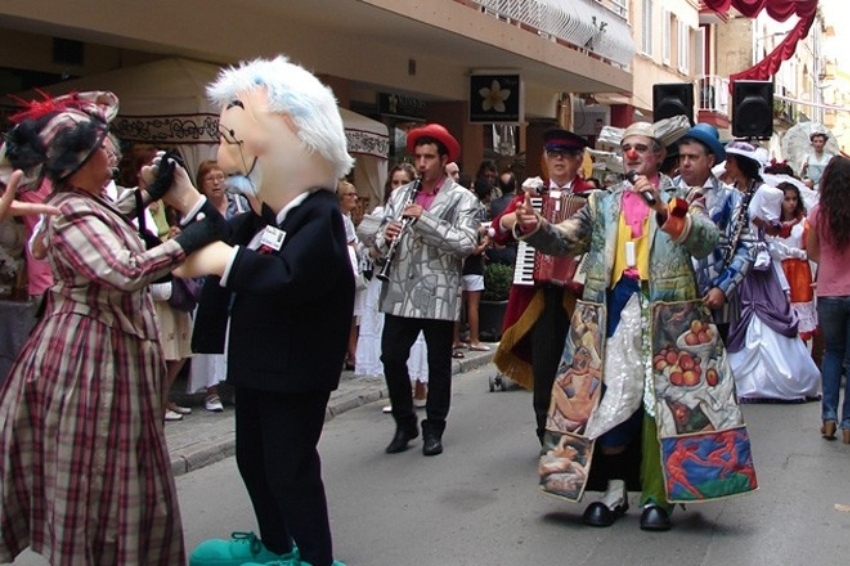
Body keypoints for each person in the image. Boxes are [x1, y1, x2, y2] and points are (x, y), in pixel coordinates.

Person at [0, 90, 223, 564]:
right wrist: (187, 239)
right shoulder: (72, 211)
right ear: (79, 159)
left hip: (109, 353)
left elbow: (113, 213)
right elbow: (123, 271)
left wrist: (149, 194)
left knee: (118, 466)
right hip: (90, 360)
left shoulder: (87, 203)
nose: (112, 150)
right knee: (95, 470)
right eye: (103, 143)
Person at [515, 121, 757, 532]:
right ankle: (612, 491)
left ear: (658, 155)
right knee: (610, 401)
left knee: (661, 405)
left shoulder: (684, 197)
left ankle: (655, 495)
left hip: (671, 317)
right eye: (626, 147)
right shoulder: (602, 203)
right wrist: (533, 226)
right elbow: (565, 239)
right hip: (611, 310)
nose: (631, 154)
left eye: (641, 147)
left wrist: (663, 209)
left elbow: (704, 239)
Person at [184, 56, 353, 566]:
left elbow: (287, 277)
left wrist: (222, 261)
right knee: (253, 462)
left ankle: (315, 558)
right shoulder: (268, 216)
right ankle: (277, 547)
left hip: (294, 370)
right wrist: (186, 198)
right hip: (259, 365)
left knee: (290, 467)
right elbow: (224, 236)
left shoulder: (319, 215)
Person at [372, 123, 479, 456]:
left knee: (438, 364)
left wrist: (426, 221)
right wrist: (382, 237)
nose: (421, 164)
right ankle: (405, 423)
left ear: (443, 159)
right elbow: (375, 238)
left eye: (429, 157)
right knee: (390, 356)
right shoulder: (400, 194)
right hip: (401, 289)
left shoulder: (464, 198)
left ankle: (434, 427)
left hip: (438, 290)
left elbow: (466, 242)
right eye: (417, 157)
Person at [490, 128, 593, 446]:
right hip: (540, 295)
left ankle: (578, 432)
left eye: (566, 154)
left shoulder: (592, 197)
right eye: (552, 154)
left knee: (582, 369)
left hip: (579, 295)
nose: (558, 159)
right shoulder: (530, 195)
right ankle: (544, 432)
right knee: (546, 365)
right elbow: (499, 230)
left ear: (578, 160)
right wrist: (515, 220)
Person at [723, 141, 820, 403]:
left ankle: (780, 379)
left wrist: (758, 222)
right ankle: (745, 380)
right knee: (740, 317)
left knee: (768, 315)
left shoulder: (766, 193)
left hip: (761, 266)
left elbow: (777, 229)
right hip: (736, 265)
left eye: (731, 161)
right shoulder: (728, 191)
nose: (727, 165)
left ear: (741, 164)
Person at [355, 163, 430, 411]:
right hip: (384, 281)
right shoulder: (381, 212)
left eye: (403, 183)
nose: (398, 188)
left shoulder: (420, 211)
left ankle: (420, 386)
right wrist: (379, 244)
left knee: (416, 339)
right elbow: (367, 249)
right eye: (394, 183)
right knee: (388, 343)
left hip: (410, 281)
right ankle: (398, 394)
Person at [675, 123, 754, 344]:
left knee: (716, 372)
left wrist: (723, 288)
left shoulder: (732, 198)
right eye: (682, 157)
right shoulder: (667, 194)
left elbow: (748, 248)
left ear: (710, 161)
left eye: (692, 157)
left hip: (716, 303)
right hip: (672, 304)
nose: (685, 163)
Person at [188, 159, 250, 412]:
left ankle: (235, 384)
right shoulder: (197, 211)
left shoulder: (240, 206)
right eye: (210, 178)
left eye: (220, 177)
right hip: (207, 278)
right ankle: (211, 390)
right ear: (201, 185)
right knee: (212, 328)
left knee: (235, 332)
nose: (216, 182)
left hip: (236, 275)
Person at [807, 155, 850, 444]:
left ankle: (829, 419)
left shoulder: (818, 213)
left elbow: (811, 251)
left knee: (832, 354)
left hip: (829, 292)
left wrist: (831, 265)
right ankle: (849, 423)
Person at [770, 182, 817, 341]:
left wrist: (795, 253)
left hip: (799, 274)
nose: (791, 203)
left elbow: (811, 250)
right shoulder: (771, 223)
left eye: (794, 199)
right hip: (777, 271)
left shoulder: (804, 223)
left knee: (800, 320)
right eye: (787, 199)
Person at [452, 179, 493, 354]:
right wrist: (483, 246)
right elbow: (472, 249)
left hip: (458, 266)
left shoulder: (456, 220)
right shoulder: (473, 224)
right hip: (473, 267)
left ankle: (455, 340)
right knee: (473, 306)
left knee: (456, 306)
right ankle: (474, 339)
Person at [338, 179, 366, 371]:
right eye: (350, 194)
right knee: (350, 314)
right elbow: (349, 245)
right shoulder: (341, 219)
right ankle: (352, 353)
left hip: (352, 269)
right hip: (346, 271)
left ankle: (352, 352)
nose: (354, 198)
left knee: (354, 316)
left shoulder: (347, 218)